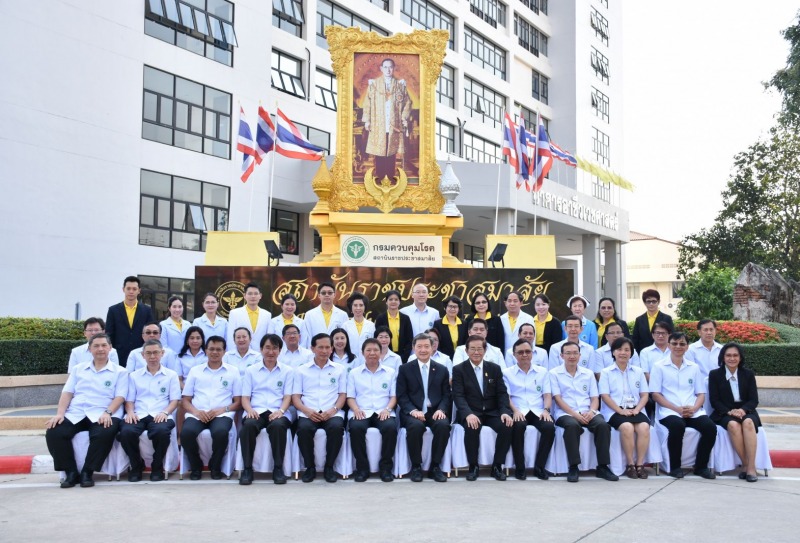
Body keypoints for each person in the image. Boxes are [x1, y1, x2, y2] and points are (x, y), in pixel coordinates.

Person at [45, 333, 128, 488]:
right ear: (89, 349)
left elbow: (120, 396)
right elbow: (67, 392)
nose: (100, 349)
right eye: (96, 346)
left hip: (103, 412)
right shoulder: (78, 369)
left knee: (104, 432)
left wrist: (108, 412)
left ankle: (87, 472)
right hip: (77, 412)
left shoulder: (120, 371)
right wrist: (60, 414)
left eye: (104, 345)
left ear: (110, 348)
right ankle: (70, 472)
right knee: (54, 431)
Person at [649, 332, 717, 479]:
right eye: (674, 343)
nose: (678, 347)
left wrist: (694, 408)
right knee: (677, 426)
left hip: (693, 410)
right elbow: (655, 394)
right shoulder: (659, 366)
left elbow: (701, 394)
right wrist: (676, 409)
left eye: (682, 344)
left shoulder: (694, 367)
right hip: (669, 411)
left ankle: (701, 467)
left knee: (710, 428)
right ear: (668, 345)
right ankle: (675, 467)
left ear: (687, 347)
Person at [550, 341, 618, 483]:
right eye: (568, 353)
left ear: (580, 356)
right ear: (561, 355)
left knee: (603, 426)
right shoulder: (554, 373)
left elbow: (595, 398)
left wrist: (592, 412)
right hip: (566, 413)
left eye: (575, 353)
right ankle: (574, 467)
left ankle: (603, 467)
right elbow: (558, 399)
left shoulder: (588, 373)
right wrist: (576, 415)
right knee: (572, 426)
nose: (572, 356)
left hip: (588, 411)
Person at [118, 339, 180, 482]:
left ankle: (157, 466)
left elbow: (174, 401)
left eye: (156, 353)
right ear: (143, 355)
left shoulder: (171, 375)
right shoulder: (134, 376)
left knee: (161, 432)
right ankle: (136, 465)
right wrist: (130, 412)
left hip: (161, 413)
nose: (152, 357)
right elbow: (129, 400)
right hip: (139, 413)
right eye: (149, 353)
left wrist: (165, 412)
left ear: (162, 353)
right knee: (126, 432)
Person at [452, 335, 513, 481]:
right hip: (472, 412)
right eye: (472, 349)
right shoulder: (459, 370)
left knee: (507, 426)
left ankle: (497, 466)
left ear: (485, 350)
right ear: (466, 351)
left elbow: (502, 393)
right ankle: (473, 466)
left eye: (480, 348)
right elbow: (458, 395)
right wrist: (468, 414)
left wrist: (505, 412)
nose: (476, 352)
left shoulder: (494, 369)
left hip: (492, 412)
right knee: (471, 427)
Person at [180, 335, 242, 480]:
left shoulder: (233, 371)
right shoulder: (195, 371)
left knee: (220, 433)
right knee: (186, 433)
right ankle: (196, 467)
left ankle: (216, 466)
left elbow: (238, 401)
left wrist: (222, 410)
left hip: (222, 414)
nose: (215, 352)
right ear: (206, 350)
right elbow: (186, 400)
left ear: (224, 351)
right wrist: (196, 412)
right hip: (198, 413)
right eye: (211, 349)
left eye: (218, 349)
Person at [239, 334, 294, 485]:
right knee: (248, 426)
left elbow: (288, 396)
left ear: (280, 350)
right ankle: (247, 469)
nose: (271, 352)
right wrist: (249, 410)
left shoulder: (287, 371)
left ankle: (278, 469)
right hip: (255, 410)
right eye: (267, 348)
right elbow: (245, 397)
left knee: (277, 426)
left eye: (274, 348)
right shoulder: (251, 371)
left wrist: (281, 411)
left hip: (278, 410)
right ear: (261, 349)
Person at [396, 333, 451, 483]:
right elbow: (401, 396)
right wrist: (413, 411)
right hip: (413, 411)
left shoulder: (441, 369)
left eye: (427, 346)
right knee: (415, 427)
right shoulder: (405, 369)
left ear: (432, 348)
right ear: (414, 348)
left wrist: (441, 409)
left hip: (434, 411)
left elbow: (447, 394)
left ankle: (435, 466)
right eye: (419, 346)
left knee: (443, 425)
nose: (423, 350)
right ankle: (416, 466)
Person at [292, 333, 347, 483]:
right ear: (312, 349)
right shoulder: (301, 370)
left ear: (332, 349)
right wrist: (307, 411)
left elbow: (342, 395)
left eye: (327, 347)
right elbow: (295, 397)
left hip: (332, 411)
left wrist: (333, 410)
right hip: (308, 412)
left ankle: (329, 467)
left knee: (336, 428)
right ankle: (310, 468)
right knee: (304, 430)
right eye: (320, 347)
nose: (324, 351)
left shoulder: (339, 369)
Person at [598, 337, 651, 479]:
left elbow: (645, 395)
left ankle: (640, 464)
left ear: (631, 353)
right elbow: (605, 396)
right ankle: (630, 464)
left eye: (627, 350)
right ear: (613, 352)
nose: (623, 353)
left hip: (635, 408)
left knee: (644, 427)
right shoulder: (606, 372)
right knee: (627, 427)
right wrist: (620, 411)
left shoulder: (638, 371)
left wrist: (637, 409)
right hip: (614, 410)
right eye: (619, 349)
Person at [708, 343, 762, 482]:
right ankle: (747, 464)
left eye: (735, 355)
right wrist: (729, 411)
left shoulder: (748, 374)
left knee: (748, 423)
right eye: (728, 355)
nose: (732, 358)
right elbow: (715, 400)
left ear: (740, 357)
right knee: (733, 425)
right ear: (723, 357)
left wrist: (742, 410)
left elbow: (753, 399)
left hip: (746, 410)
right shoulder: (715, 374)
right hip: (725, 412)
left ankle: (750, 468)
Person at [346, 338, 398, 483]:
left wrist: (387, 409)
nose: (372, 353)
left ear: (381, 353)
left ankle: (386, 468)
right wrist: (356, 409)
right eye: (368, 350)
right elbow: (350, 396)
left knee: (390, 428)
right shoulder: (354, 373)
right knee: (356, 428)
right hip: (361, 410)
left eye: (375, 350)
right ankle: (362, 469)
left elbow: (394, 396)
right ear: (363, 353)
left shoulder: (390, 372)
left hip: (383, 410)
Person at [504, 338, 556, 480]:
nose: (524, 355)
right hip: (518, 409)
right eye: (520, 352)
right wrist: (515, 411)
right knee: (518, 426)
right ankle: (520, 468)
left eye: (528, 351)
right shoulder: (507, 373)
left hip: (538, 409)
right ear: (514, 355)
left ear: (532, 353)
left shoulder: (543, 372)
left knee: (549, 427)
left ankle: (540, 467)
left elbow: (547, 394)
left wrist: (546, 410)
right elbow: (506, 397)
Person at [361, 57, 412, 181]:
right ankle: (379, 175)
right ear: (381, 69)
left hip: (394, 122)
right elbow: (367, 103)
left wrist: (404, 117)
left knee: (391, 150)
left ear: (393, 68)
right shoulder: (374, 84)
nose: (388, 70)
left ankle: (390, 175)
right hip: (379, 122)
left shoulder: (400, 85)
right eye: (385, 67)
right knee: (380, 150)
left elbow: (408, 102)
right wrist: (367, 120)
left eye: (390, 67)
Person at [105, 275, 154, 367]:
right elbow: (109, 333)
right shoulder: (113, 310)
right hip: (119, 354)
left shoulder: (146, 310)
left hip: (141, 354)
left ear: (139, 290)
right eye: (128, 288)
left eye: (134, 289)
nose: (131, 291)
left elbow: (150, 332)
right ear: (123, 289)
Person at [226, 282, 272, 351]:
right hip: (240, 354)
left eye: (256, 294)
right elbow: (230, 338)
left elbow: (268, 337)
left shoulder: (267, 315)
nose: (253, 296)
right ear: (244, 295)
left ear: (260, 296)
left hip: (260, 354)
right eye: (250, 294)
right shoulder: (234, 313)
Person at [301, 282, 348, 347]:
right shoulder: (309, 315)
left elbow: (345, 337)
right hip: (316, 353)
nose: (327, 295)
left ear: (334, 295)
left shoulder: (343, 315)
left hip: (336, 353)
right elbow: (307, 338)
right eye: (323, 293)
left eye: (330, 293)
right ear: (319, 295)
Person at [374, 289, 414, 363]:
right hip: (385, 356)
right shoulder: (381, 318)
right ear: (386, 302)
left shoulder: (405, 318)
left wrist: (404, 357)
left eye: (396, 299)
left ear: (399, 302)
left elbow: (410, 339)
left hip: (403, 356)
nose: (393, 302)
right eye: (390, 299)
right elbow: (377, 337)